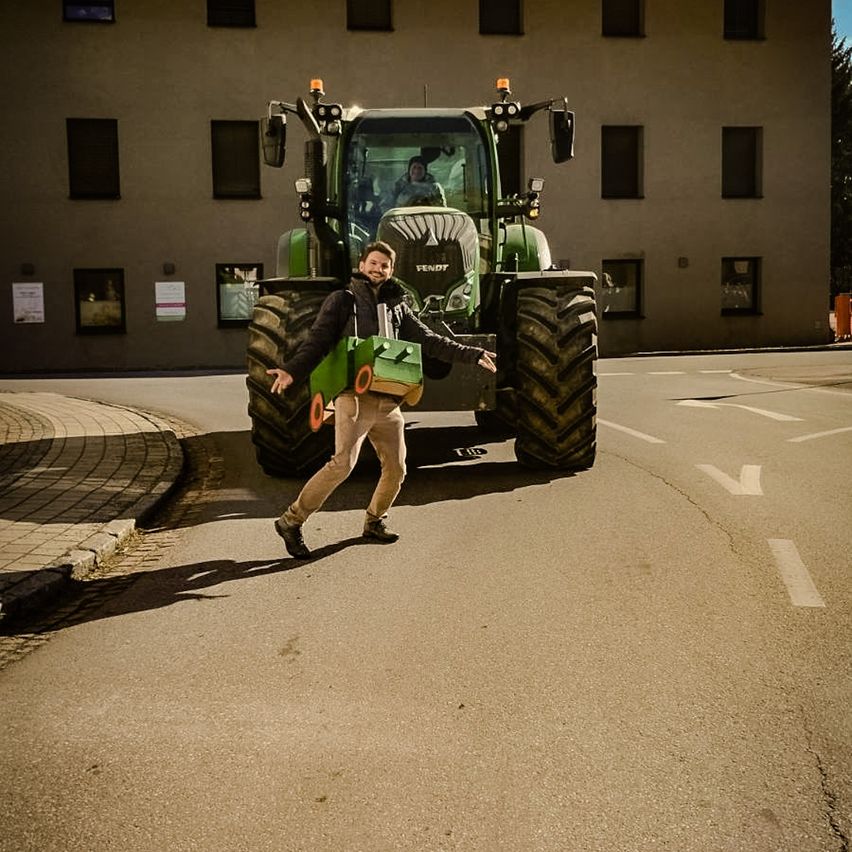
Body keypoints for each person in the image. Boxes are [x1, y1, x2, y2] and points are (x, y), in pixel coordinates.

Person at [266, 240, 497, 559]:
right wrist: (292, 371)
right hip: (354, 397)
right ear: (362, 265)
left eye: (385, 265)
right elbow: (317, 341)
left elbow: (429, 341)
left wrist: (472, 354)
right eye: (373, 263)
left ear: (391, 270)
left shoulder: (397, 305)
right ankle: (291, 521)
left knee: (397, 468)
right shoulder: (342, 300)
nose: (378, 269)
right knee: (342, 464)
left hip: (388, 398)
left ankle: (374, 521)